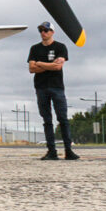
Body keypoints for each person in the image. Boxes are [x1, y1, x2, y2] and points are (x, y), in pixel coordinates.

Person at [28, 21, 79, 161]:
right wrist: (49, 65)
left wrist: (39, 63)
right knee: (47, 120)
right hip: (41, 87)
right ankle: (52, 151)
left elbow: (58, 67)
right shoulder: (34, 48)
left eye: (46, 30)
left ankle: (69, 150)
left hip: (57, 87)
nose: (43, 33)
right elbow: (31, 69)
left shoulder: (60, 47)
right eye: (41, 30)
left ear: (52, 32)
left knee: (63, 119)